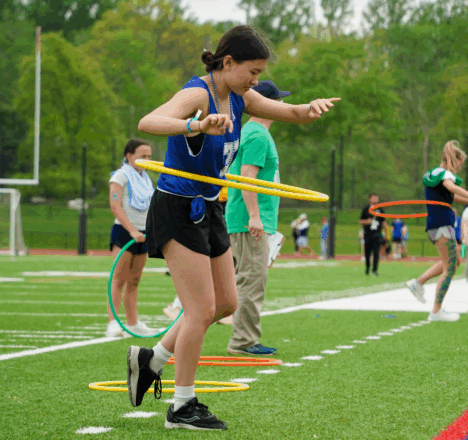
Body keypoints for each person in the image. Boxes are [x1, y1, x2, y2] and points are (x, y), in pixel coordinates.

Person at [129, 25, 339, 431]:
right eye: (253, 71)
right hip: (177, 205)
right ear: (228, 63)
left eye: (260, 74)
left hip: (209, 208)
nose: (256, 81)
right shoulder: (197, 94)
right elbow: (148, 121)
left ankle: (150, 359)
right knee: (200, 310)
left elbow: (290, 113)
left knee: (226, 303)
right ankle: (182, 406)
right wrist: (196, 125)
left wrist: (308, 109)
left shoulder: (241, 96)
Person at [224, 79, 289, 357]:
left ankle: (244, 338)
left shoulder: (254, 132)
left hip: (250, 218)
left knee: (248, 278)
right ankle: (243, 342)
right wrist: (254, 217)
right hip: (248, 219)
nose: (283, 104)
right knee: (252, 279)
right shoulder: (257, 135)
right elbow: (247, 178)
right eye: (278, 100)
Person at [405, 140, 468, 321]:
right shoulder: (445, 175)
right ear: (453, 159)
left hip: (437, 223)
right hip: (442, 224)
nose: (461, 167)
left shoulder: (436, 174)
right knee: (450, 266)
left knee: (454, 261)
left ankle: (418, 283)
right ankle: (436, 311)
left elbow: (450, 197)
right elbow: (451, 188)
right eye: (460, 162)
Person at [106, 139, 158, 337]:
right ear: (129, 156)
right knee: (118, 278)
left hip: (143, 234)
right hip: (124, 233)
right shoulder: (120, 176)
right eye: (141, 156)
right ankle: (113, 322)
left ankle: (132, 323)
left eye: (148, 157)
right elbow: (115, 205)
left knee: (134, 280)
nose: (146, 160)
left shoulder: (145, 178)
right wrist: (132, 231)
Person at [360, 193, 385, 275]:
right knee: (367, 252)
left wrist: (386, 232)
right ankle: (367, 269)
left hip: (377, 234)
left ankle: (374, 270)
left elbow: (383, 221)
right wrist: (367, 222)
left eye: (377, 198)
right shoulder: (366, 209)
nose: (375, 199)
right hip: (368, 233)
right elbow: (361, 221)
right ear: (370, 198)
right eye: (374, 198)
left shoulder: (380, 209)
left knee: (376, 253)